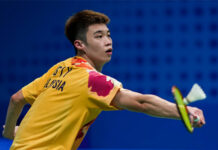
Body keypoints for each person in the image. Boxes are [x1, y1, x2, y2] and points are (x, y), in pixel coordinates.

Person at [3, 10, 205, 150]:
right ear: (80, 44)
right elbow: (141, 102)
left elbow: (16, 99)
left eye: (108, 35)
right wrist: (182, 112)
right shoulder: (92, 80)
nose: (108, 41)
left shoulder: (60, 68)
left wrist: (11, 132)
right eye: (98, 36)